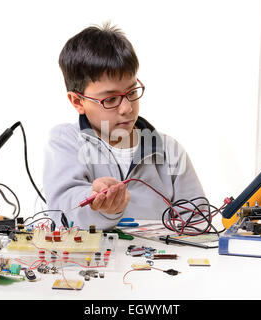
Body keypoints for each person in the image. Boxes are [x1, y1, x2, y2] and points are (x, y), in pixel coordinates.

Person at [43, 22, 206, 230]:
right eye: (110, 100)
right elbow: (62, 211)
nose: (126, 108)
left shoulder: (169, 149)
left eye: (131, 92)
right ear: (77, 102)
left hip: (157, 260)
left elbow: (198, 222)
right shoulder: (65, 141)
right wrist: (97, 203)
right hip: (95, 261)